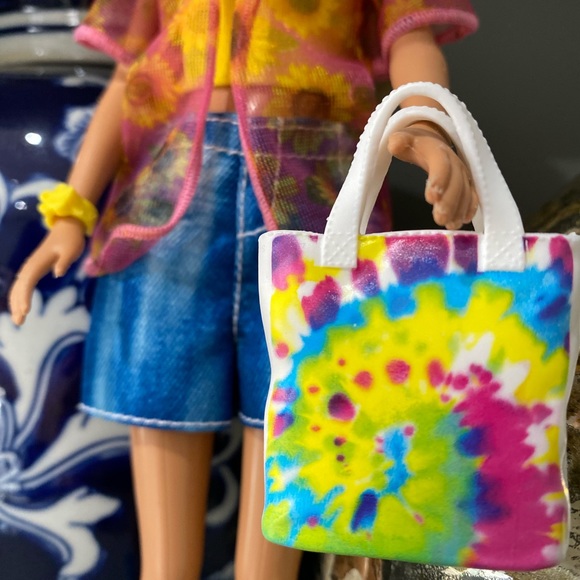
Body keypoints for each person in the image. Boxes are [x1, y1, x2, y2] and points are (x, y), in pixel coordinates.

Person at [9, 1, 478, 578]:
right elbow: (133, 73)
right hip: (167, 194)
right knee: (162, 400)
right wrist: (71, 212)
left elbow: (410, 37)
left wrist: (427, 127)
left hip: (314, 192)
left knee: (297, 408)